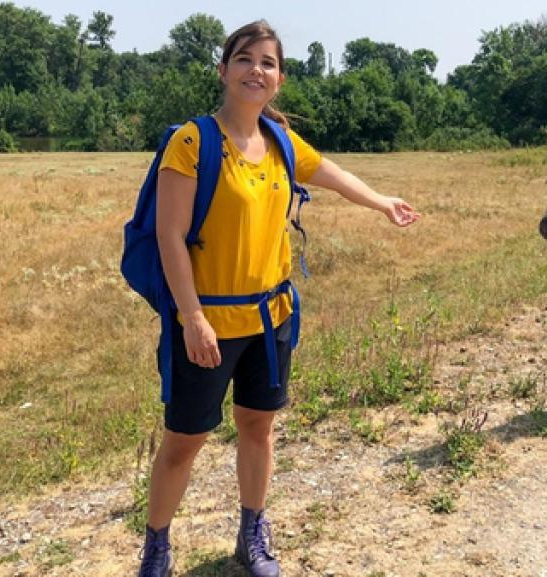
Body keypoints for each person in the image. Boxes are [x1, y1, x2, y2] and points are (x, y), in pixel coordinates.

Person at [136, 19, 420, 577]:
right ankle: (157, 549)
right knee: (184, 442)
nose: (256, 70)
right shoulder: (192, 143)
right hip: (208, 323)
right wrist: (192, 317)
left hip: (271, 320)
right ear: (223, 70)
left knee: (258, 428)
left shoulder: (280, 143)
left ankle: (251, 534)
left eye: (267, 62)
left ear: (279, 79)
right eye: (244, 59)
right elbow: (170, 236)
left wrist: (382, 201)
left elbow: (332, 173)